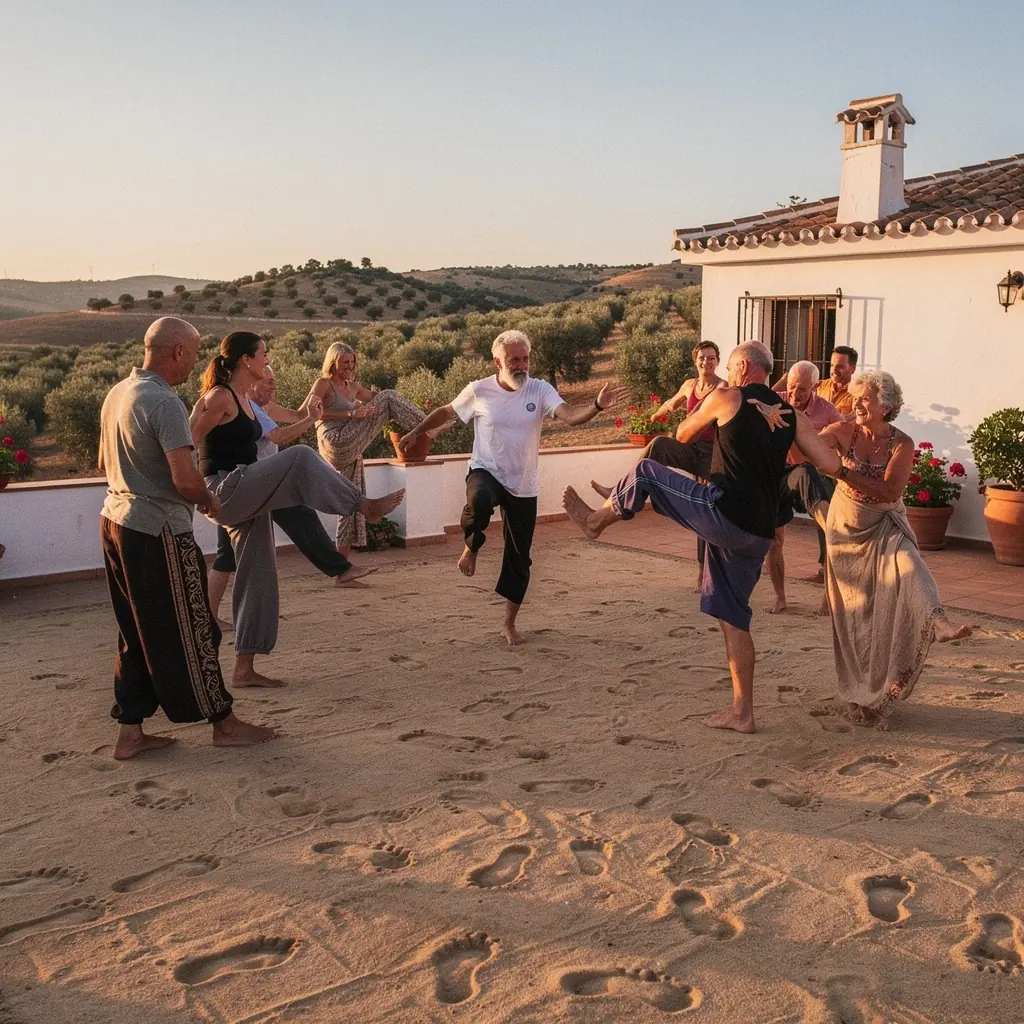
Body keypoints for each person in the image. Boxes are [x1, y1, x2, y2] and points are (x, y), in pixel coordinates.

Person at [561, 341, 844, 735]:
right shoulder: (790, 415)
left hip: (725, 513)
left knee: (645, 473)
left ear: (743, 367)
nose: (726, 374)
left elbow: (682, 433)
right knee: (732, 618)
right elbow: (830, 464)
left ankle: (595, 522)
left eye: (729, 366)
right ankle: (743, 713)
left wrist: (713, 403)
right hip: (759, 534)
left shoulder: (725, 396)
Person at [97, 317, 277, 758]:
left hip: (115, 523)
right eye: (194, 353)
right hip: (157, 529)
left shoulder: (117, 394)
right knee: (197, 628)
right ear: (176, 351)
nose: (197, 363)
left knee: (135, 632)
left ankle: (131, 732)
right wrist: (209, 503)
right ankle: (224, 723)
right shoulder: (163, 401)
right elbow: (185, 478)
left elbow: (104, 463)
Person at [190, 332, 404, 687]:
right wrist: (199, 494)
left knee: (259, 576)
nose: (267, 359)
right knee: (302, 456)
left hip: (248, 492)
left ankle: (244, 669)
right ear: (246, 360)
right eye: (263, 354)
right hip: (225, 490)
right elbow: (187, 442)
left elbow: (287, 420)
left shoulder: (245, 399)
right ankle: (362, 506)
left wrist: (307, 415)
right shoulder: (219, 397)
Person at [397, 329, 628, 646]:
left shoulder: (539, 390)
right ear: (497, 361)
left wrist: (596, 407)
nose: (521, 365)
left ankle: (509, 623)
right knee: (479, 501)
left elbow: (571, 416)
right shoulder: (479, 390)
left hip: (523, 483)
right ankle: (472, 546)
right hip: (486, 470)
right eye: (513, 360)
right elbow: (445, 412)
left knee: (520, 558)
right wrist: (417, 431)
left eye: (525, 359)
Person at [814, 370, 971, 726]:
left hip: (885, 523)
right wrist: (789, 421)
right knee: (857, 616)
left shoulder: (903, 443)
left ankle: (938, 622)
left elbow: (889, 491)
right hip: (845, 531)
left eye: (865, 398)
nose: (857, 404)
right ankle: (861, 694)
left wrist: (840, 472)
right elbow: (812, 447)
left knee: (910, 563)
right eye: (856, 398)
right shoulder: (842, 431)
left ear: (888, 406)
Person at [207, 366, 375, 629]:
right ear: (251, 384)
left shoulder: (264, 407)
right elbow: (281, 435)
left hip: (262, 487)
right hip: (256, 487)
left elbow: (295, 415)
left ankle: (209, 618)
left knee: (226, 555)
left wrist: (311, 408)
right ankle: (341, 568)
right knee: (298, 513)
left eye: (275, 382)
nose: (273, 387)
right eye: (268, 382)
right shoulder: (249, 409)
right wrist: (310, 420)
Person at [593, 340, 726, 588]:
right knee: (659, 445)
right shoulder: (689, 385)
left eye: (711, 358)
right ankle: (621, 490)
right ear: (695, 361)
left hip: (711, 455)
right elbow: (670, 403)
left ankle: (702, 576)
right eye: (702, 358)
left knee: (705, 514)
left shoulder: (723, 388)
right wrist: (655, 415)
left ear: (717, 361)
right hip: (689, 448)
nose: (706, 362)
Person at [312, 342, 426, 558]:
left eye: (352, 362)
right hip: (334, 440)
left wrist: (395, 404)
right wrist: (351, 415)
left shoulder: (352, 387)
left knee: (348, 506)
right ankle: (428, 426)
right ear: (333, 362)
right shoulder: (323, 384)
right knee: (389, 397)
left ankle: (342, 571)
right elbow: (309, 412)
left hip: (349, 447)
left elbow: (377, 398)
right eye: (345, 362)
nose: (350, 366)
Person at [765, 361, 841, 615]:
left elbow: (842, 446)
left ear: (816, 387)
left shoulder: (828, 412)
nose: (795, 394)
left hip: (813, 476)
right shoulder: (774, 402)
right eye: (792, 386)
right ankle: (780, 597)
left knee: (829, 532)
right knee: (774, 540)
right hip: (779, 476)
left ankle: (829, 596)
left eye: (803, 389)